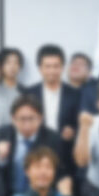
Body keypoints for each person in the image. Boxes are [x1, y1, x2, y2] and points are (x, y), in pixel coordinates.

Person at [0, 95, 62, 196]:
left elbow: (59, 172)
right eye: (22, 119)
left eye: (31, 119)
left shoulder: (52, 139)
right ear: (13, 119)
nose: (27, 125)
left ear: (40, 119)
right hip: (7, 195)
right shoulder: (2, 134)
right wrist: (0, 158)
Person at [27, 44, 80, 172]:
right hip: (36, 153)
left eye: (56, 66)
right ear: (40, 68)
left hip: (66, 153)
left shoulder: (75, 94)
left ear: (63, 67)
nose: (52, 71)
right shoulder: (29, 94)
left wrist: (73, 132)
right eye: (48, 66)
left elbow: (80, 123)